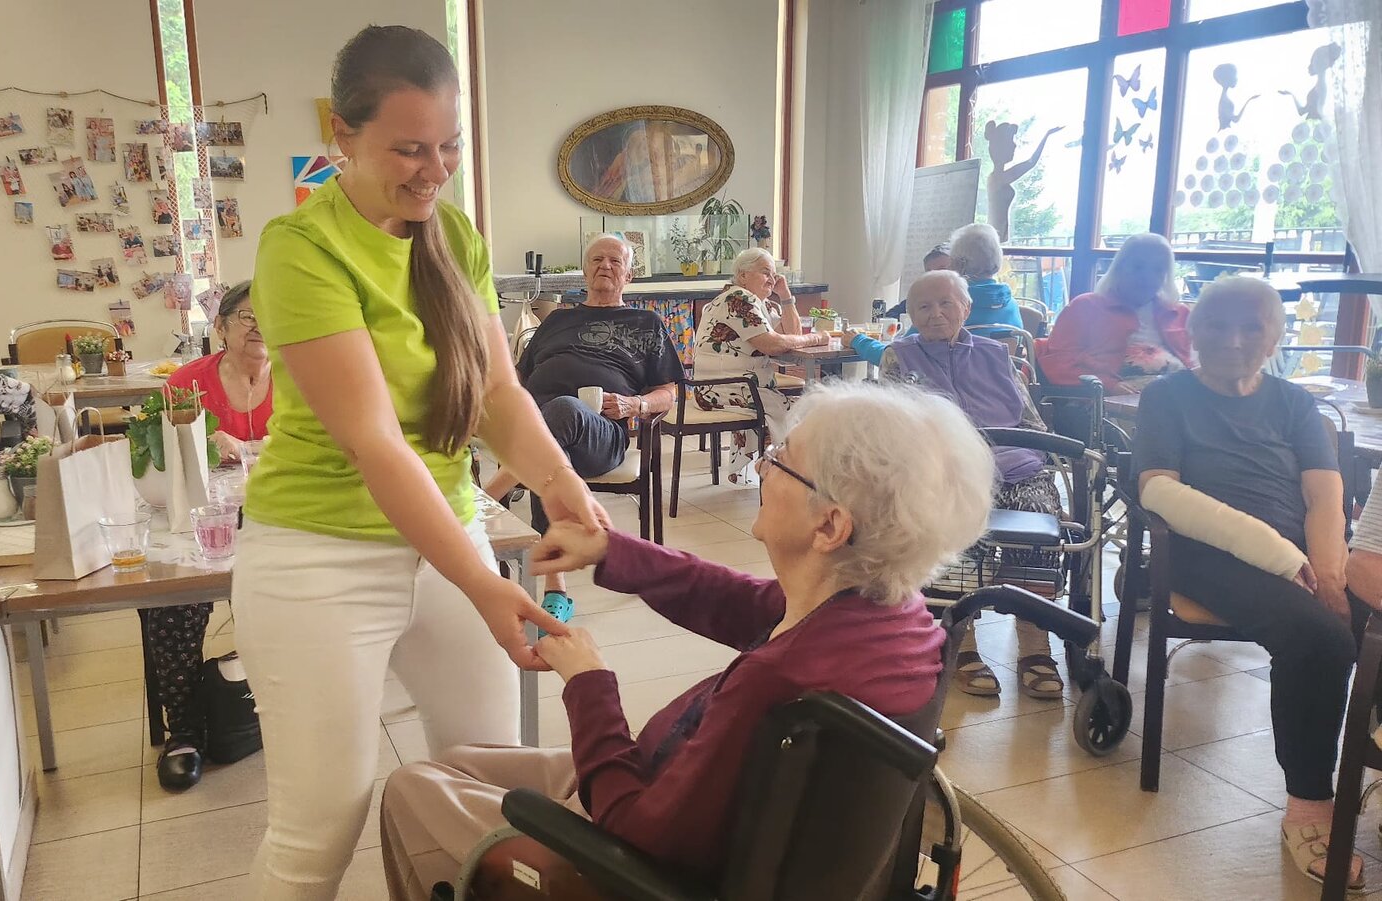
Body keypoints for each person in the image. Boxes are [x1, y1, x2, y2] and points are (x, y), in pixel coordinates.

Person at [230, 26, 606, 898]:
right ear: (343, 135)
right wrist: (482, 583)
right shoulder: (301, 248)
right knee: (318, 831)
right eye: (409, 149)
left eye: (449, 146)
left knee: (494, 792)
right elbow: (376, 443)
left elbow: (498, 394)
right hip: (317, 557)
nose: (434, 170)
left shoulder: (455, 237)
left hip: (446, 533)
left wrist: (562, 486)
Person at [377, 380, 997, 900]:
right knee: (457, 763)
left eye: (779, 460)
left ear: (829, 526)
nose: (761, 466)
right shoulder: (890, 617)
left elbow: (639, 830)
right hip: (688, 787)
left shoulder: (779, 682)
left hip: (636, 851)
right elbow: (733, 598)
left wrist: (589, 685)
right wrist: (611, 551)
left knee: (411, 788)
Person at [1134, 276, 1366, 889]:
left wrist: (1331, 572)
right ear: (1192, 329)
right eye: (1217, 324)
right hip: (1207, 554)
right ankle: (1310, 807)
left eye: (1250, 327)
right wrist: (1280, 558)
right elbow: (1159, 491)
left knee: (1372, 616)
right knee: (1320, 640)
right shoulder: (1167, 396)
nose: (1232, 340)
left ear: (1274, 337)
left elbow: (1324, 494)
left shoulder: (1294, 403)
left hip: (1303, 553)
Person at [878, 270, 1067, 699]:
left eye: (946, 303)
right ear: (911, 315)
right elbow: (893, 428)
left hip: (1014, 465)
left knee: (1038, 516)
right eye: (924, 306)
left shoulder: (997, 355)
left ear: (966, 308)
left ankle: (1035, 646)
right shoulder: (899, 357)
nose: (936, 313)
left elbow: (1033, 424)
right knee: (950, 525)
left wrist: (1042, 462)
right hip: (946, 470)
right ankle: (961, 643)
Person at [480, 234, 683, 599]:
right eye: (597, 260)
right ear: (585, 272)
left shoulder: (645, 322)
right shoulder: (557, 319)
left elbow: (670, 391)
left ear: (628, 276)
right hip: (539, 427)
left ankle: (486, 498)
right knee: (550, 440)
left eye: (615, 261)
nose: (605, 266)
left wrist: (635, 405)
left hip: (600, 435)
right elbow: (518, 378)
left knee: (563, 411)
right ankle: (554, 587)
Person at [139, 281, 272, 792]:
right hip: (203, 521)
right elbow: (159, 456)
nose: (260, 326)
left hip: (277, 516)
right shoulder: (188, 383)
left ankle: (278, 705)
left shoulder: (302, 375)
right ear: (220, 327)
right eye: (247, 317)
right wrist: (202, 439)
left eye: (271, 314)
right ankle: (185, 730)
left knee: (294, 591)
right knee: (174, 601)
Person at [691, 246, 829, 478]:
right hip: (724, 387)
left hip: (728, 385)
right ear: (743, 275)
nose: (772, 279)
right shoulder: (738, 299)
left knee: (806, 406)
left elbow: (791, 334)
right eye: (766, 272)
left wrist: (786, 296)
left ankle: (788, 471)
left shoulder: (757, 303)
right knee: (810, 409)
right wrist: (815, 338)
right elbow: (772, 344)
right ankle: (795, 475)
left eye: (774, 274)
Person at [1038, 233, 1191, 395]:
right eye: (1138, 267)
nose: (1147, 276)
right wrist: (1108, 385)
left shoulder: (1180, 314)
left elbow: (1199, 365)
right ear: (1119, 268)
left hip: (1177, 396)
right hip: (1109, 398)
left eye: (1158, 269)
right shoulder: (1086, 306)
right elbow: (1059, 363)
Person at [850, 223, 1021, 365]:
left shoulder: (948, 305)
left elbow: (896, 357)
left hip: (946, 389)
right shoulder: (1011, 304)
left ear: (959, 264)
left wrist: (858, 340)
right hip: (996, 388)